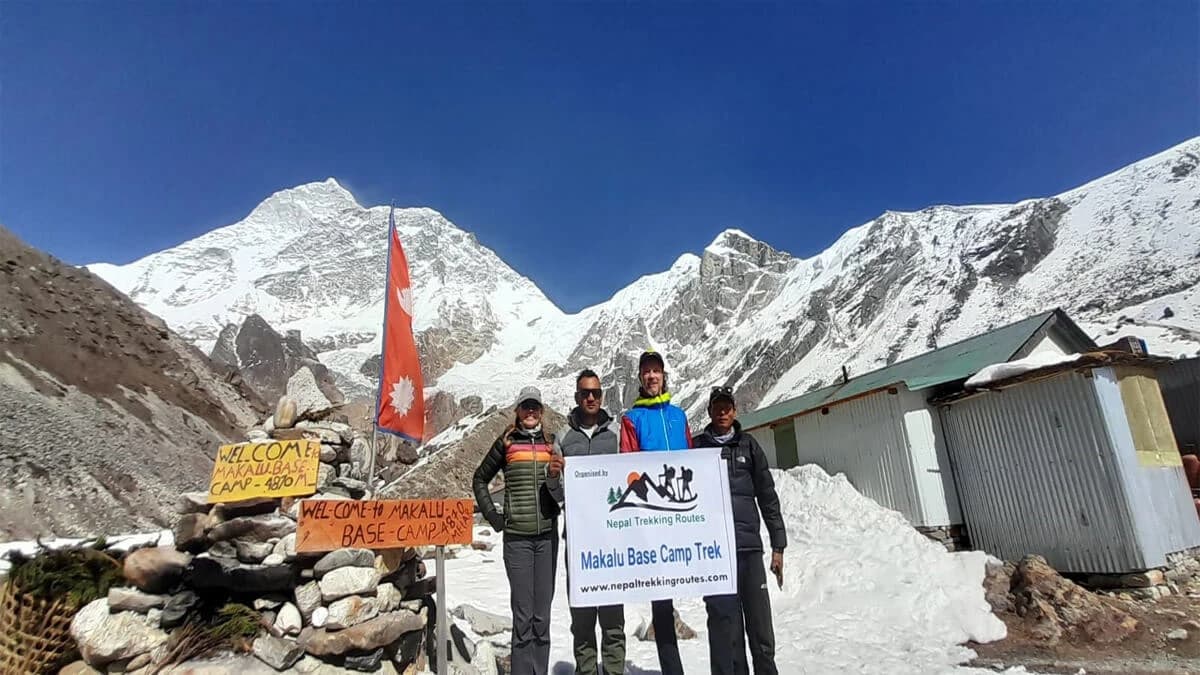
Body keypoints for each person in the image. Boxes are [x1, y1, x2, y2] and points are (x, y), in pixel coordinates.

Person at [695, 386, 786, 675]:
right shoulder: (696, 448)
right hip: (714, 553)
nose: (722, 412)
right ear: (709, 411)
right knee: (726, 630)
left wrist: (778, 546)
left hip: (749, 549)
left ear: (734, 411)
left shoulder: (750, 446)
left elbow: (768, 497)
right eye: (717, 407)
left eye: (727, 407)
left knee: (760, 627)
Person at [472, 386, 560, 675]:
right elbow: (480, 479)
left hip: (547, 538)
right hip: (517, 541)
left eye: (535, 406)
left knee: (542, 617)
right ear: (518, 411)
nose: (531, 411)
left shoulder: (552, 443)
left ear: (542, 411)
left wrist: (555, 479)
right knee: (523, 617)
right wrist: (494, 517)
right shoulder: (506, 443)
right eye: (526, 406)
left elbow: (560, 490)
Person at [546, 369, 626, 675]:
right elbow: (557, 494)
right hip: (579, 542)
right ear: (577, 397)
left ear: (602, 396)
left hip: (613, 541)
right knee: (581, 619)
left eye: (594, 392)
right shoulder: (563, 438)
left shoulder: (617, 435)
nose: (590, 397)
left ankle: (615, 671)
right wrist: (553, 475)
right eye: (584, 393)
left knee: (613, 620)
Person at [619, 349, 691, 675]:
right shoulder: (632, 420)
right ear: (639, 378)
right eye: (646, 371)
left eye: (656, 371)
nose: (651, 376)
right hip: (654, 522)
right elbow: (627, 471)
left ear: (664, 375)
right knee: (662, 603)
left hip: (686, 520)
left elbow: (693, 463)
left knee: (712, 596)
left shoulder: (680, 416)